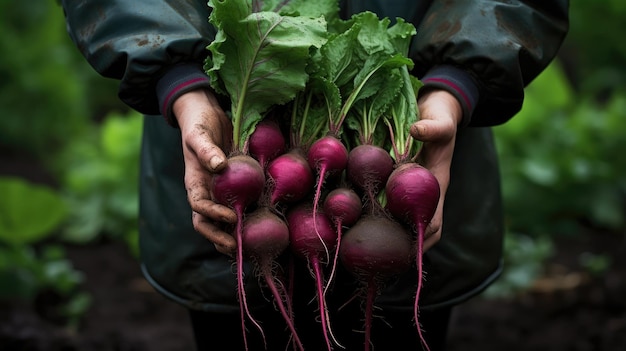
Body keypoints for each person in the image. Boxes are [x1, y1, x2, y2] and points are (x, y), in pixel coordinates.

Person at [60, 1, 569, 350]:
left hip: (408, 176)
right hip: (224, 165)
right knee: (244, 318)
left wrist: (458, 84)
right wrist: (181, 83)